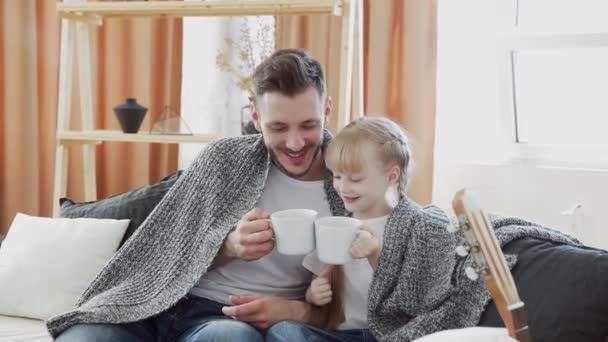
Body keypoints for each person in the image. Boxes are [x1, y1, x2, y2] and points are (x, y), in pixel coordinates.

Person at [50, 49, 346, 341]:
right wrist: (229, 246)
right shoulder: (224, 159)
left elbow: (356, 302)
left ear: (327, 110)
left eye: (309, 125)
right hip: (154, 303)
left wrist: (297, 311)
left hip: (225, 321)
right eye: (278, 127)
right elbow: (164, 249)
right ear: (256, 117)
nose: (295, 143)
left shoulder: (351, 183)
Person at [267, 117, 411, 342]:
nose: (343, 187)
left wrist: (375, 255)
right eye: (336, 176)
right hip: (340, 335)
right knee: (283, 332)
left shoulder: (409, 227)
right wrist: (313, 294)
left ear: (391, 176)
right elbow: (317, 285)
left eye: (355, 179)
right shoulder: (334, 224)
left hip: (387, 336)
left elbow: (411, 298)